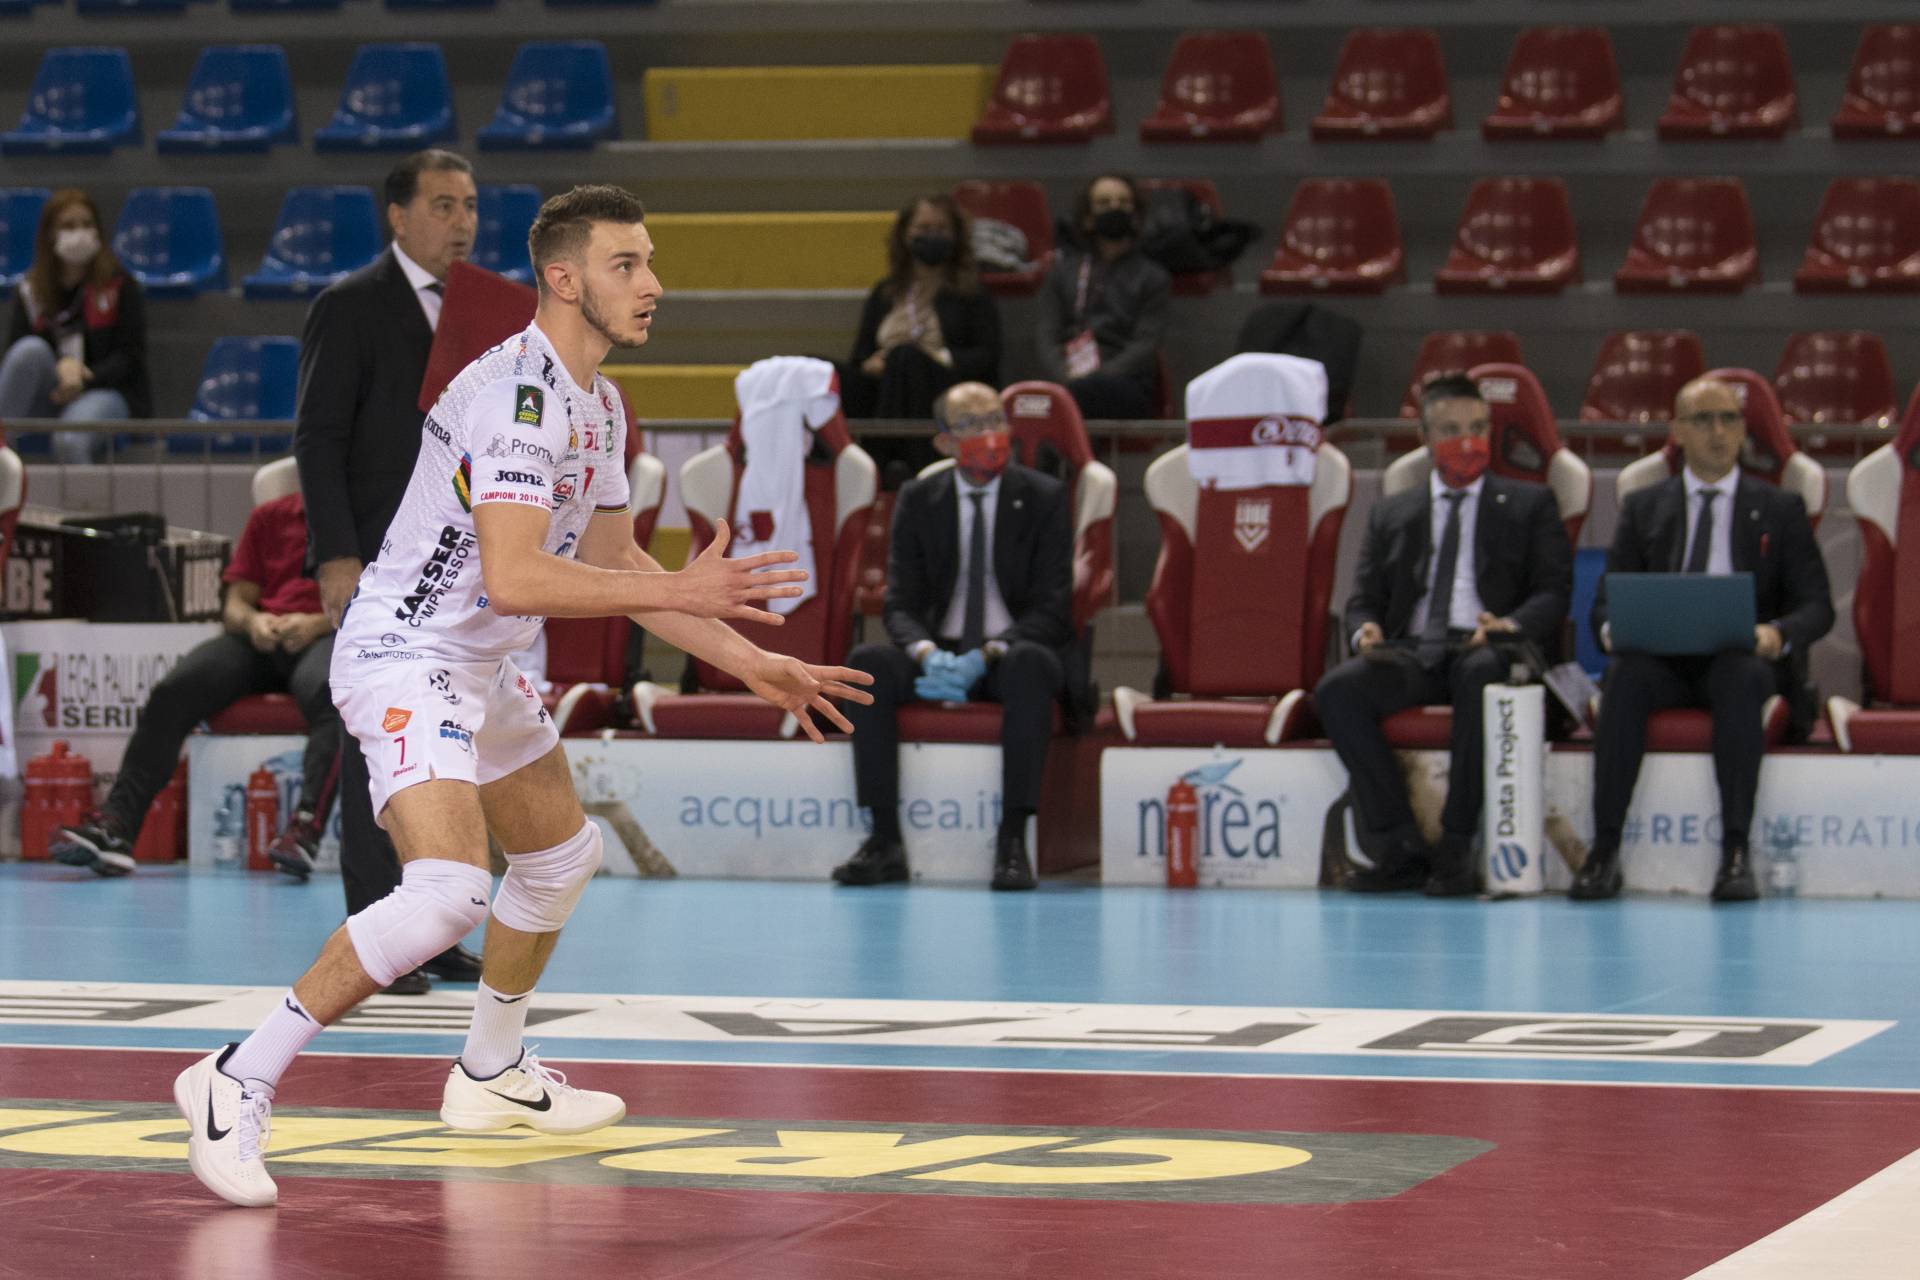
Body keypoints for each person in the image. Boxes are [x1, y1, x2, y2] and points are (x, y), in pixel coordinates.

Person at [172, 184, 875, 1209]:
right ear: (563, 278)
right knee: (447, 893)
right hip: (408, 651)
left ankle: (491, 1070)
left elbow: (615, 561)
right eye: (627, 265)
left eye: (650, 261)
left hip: (482, 660)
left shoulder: (601, 403)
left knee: (559, 856)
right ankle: (236, 1074)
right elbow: (514, 576)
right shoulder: (517, 400)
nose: (653, 284)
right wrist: (680, 591)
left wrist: (752, 661)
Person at [294, 149, 479, 993]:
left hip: (458, 562)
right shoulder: (350, 304)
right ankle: (378, 934)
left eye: (469, 206)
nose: (462, 221)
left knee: (448, 745)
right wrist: (336, 555)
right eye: (443, 206)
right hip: (376, 559)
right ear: (398, 217)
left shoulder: (486, 309)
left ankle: (435, 929)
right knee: (383, 746)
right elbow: (319, 438)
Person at [1574, 376, 1834, 903]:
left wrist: (1778, 633)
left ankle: (1735, 852)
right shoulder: (1644, 506)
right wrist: (1615, 629)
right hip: (1661, 662)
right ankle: (1604, 849)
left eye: (1729, 419)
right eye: (1703, 420)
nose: (1718, 432)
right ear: (1677, 432)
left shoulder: (1780, 508)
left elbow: (1817, 607)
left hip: (1741, 659)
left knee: (1741, 676)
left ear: (1742, 430)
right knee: (1624, 677)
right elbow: (1605, 602)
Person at [1314, 374, 1572, 896]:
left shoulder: (1531, 504)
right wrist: (1365, 630)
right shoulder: (1392, 512)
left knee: (1481, 674)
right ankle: (1399, 844)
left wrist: (1508, 626)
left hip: (1485, 646)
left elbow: (1552, 592)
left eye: (1478, 428)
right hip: (1412, 650)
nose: (1468, 442)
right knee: (1337, 691)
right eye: (1452, 430)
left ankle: (1456, 845)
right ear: (1425, 438)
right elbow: (1363, 598)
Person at [833, 381, 1072, 892]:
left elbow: (1053, 607)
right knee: (867, 665)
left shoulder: (1044, 497)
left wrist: (989, 653)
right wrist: (925, 652)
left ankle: (1012, 842)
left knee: (1031, 665)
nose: (990, 434)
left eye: (996, 420)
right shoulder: (920, 499)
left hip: (1010, 652)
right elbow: (899, 603)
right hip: (939, 651)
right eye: (972, 425)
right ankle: (884, 841)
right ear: (944, 441)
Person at [48, 491, 338, 878]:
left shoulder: (370, 516)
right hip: (263, 638)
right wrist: (253, 621)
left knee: (335, 693)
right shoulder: (270, 516)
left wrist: (316, 623)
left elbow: (380, 600)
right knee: (174, 691)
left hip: (329, 633)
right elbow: (235, 604)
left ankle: (305, 829)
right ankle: (116, 828)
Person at [841, 194, 1001, 483]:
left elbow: (988, 354)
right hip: (883, 385)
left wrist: (938, 357)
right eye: (923, 228)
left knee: (906, 357)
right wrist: (870, 364)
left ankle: (889, 461)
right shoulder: (885, 292)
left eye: (940, 229)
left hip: (942, 385)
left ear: (955, 236)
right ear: (905, 234)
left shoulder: (972, 293)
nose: (931, 236)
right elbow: (859, 356)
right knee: (817, 368)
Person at [0, 188, 150, 464]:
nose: (79, 233)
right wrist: (62, 367)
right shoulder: (31, 290)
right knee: (28, 350)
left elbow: (130, 356)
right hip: (52, 392)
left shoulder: (120, 284)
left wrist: (84, 375)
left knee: (69, 439)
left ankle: (83, 493)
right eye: (69, 226)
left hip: (106, 390)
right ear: (50, 234)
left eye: (86, 224)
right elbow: (16, 360)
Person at [1034, 174, 1170, 422]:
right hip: (1068, 377)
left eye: (1123, 202)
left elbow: (1145, 345)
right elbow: (1047, 335)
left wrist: (1097, 376)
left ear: (1135, 215)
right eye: (1104, 203)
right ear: (1088, 217)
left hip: (1126, 383)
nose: (1115, 208)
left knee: (1077, 396)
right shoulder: (1062, 273)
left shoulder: (1153, 277)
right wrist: (1066, 376)